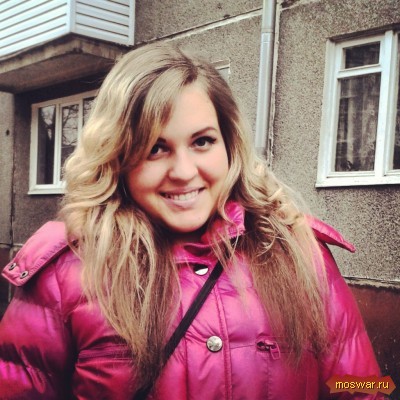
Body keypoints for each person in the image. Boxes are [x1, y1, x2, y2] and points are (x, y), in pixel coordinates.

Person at [0, 42, 383, 400]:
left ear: (230, 145)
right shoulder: (66, 272)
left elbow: (364, 385)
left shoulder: (300, 252)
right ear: (117, 157)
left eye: (202, 141)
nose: (184, 172)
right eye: (156, 148)